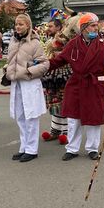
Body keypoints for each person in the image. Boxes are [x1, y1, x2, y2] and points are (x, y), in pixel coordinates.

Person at [49, 12, 104, 162]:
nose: (97, 28)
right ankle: (72, 149)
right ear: (84, 28)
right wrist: (43, 65)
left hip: (95, 84)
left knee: (93, 119)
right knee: (73, 119)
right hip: (76, 84)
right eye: (93, 25)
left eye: (97, 25)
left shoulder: (103, 45)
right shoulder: (73, 44)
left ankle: (92, 149)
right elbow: (59, 60)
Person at [6, 13, 49, 162]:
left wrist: (29, 72)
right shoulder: (12, 41)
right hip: (16, 83)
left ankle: (32, 149)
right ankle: (23, 146)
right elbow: (10, 60)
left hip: (29, 83)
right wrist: (8, 71)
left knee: (31, 116)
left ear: (28, 26)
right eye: (16, 24)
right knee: (20, 116)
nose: (18, 27)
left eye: (21, 24)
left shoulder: (35, 43)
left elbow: (44, 64)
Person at [41, 9, 71, 145]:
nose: (48, 28)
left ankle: (66, 131)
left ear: (59, 27)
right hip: (51, 75)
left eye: (51, 26)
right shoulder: (51, 39)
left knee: (63, 102)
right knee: (54, 102)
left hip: (63, 75)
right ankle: (55, 130)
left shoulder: (65, 39)